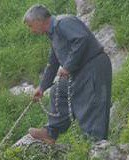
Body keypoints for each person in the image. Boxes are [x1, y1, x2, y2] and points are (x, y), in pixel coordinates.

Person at [24, 4, 112, 144]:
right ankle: (51, 133)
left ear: (38, 21)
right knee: (58, 92)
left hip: (93, 66)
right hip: (80, 71)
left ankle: (96, 147)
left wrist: (68, 66)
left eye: (30, 26)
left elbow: (81, 39)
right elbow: (53, 63)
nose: (31, 30)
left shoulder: (63, 22)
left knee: (92, 107)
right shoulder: (53, 34)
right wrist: (41, 88)